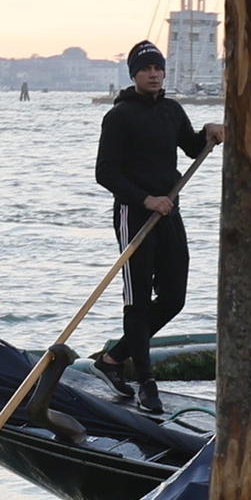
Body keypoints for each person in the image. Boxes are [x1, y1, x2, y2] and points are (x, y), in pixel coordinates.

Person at [91, 42, 219, 412]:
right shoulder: (119, 117)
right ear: (134, 74)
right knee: (138, 302)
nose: (153, 74)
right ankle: (145, 382)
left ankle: (113, 358)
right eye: (146, 69)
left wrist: (209, 131)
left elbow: (192, 147)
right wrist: (145, 200)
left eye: (158, 68)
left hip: (169, 211)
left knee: (174, 298)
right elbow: (105, 173)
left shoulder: (172, 110)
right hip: (136, 214)